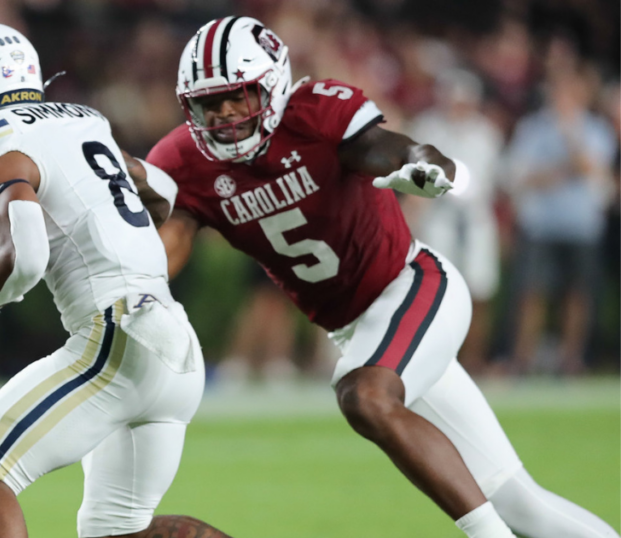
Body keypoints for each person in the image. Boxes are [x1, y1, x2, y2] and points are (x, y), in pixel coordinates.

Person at [133, 16, 619, 538]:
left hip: (412, 284)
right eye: (210, 103)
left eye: (239, 97)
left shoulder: (315, 112)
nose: (224, 115)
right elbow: (173, 237)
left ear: (271, 87)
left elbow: (380, 147)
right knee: (523, 506)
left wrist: (417, 162)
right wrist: (132, 282)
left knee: (365, 394)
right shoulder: (184, 161)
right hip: (361, 330)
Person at [0, 23, 231, 538]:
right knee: (116, 532)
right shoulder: (82, 120)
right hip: (175, 342)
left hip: (117, 338)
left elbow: (25, 252)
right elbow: (164, 191)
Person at [505, 62, 616, 376]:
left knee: (578, 294)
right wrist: (561, 170)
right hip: (541, 223)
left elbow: (593, 170)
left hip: (581, 224)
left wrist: (570, 138)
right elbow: (520, 177)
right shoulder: (532, 127)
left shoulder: (594, 128)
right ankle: (522, 359)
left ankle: (571, 360)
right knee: (531, 292)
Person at [406, 69, 504, 375]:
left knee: (479, 292)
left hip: (475, 221)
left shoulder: (487, 132)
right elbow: (412, 181)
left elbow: (496, 183)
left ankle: (473, 361)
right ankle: (435, 361)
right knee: (434, 291)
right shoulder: (427, 128)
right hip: (439, 218)